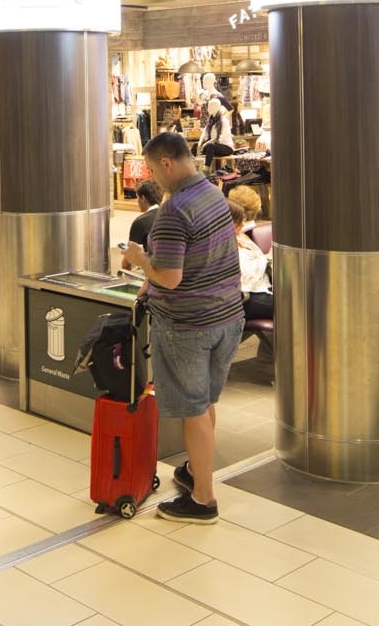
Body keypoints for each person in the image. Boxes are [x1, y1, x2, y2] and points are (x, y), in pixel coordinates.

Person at [120, 132, 243, 524]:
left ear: (167, 163)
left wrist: (140, 260)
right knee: (205, 403)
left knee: (193, 410)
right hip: (227, 317)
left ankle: (203, 500)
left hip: (189, 326)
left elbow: (170, 278)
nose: (154, 179)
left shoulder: (175, 210)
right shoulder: (213, 194)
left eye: (154, 170)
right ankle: (196, 470)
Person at [232, 198, 272, 322]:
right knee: (297, 306)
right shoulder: (222, 245)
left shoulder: (241, 237)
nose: (243, 225)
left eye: (243, 221)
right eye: (239, 222)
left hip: (261, 288)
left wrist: (268, 257)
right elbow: (246, 275)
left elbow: (257, 264)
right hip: (246, 296)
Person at [126, 180, 163, 251]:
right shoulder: (170, 215)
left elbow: (130, 254)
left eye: (137, 197)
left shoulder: (140, 222)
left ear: (142, 198)